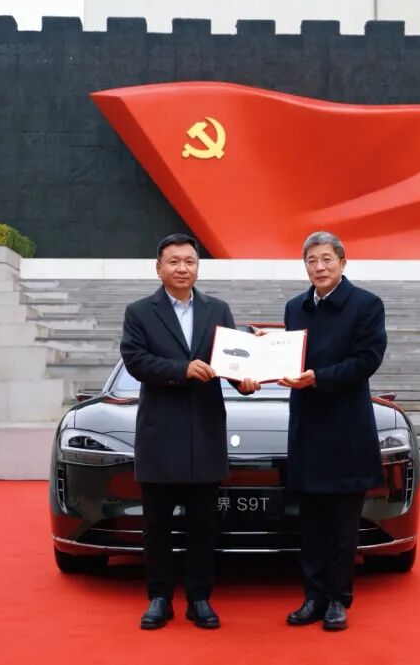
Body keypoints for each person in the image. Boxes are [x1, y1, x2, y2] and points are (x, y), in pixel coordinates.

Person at [119, 233, 259, 631]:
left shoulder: (218, 309)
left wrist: (246, 382)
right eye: (174, 261)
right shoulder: (139, 312)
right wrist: (181, 370)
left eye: (190, 261)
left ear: (198, 267)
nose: (182, 268)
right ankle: (159, 598)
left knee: (203, 525)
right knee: (157, 525)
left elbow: (233, 361)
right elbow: (135, 360)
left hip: (204, 431)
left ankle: (199, 598)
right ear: (158, 268)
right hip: (160, 434)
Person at [279, 231, 387, 632]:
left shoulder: (366, 305)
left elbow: (367, 359)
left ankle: (339, 599)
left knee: (342, 523)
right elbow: (288, 356)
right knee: (310, 523)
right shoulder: (295, 307)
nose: (319, 267)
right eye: (312, 260)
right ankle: (313, 596)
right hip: (307, 426)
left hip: (345, 428)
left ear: (343, 262)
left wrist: (318, 378)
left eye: (326, 259)